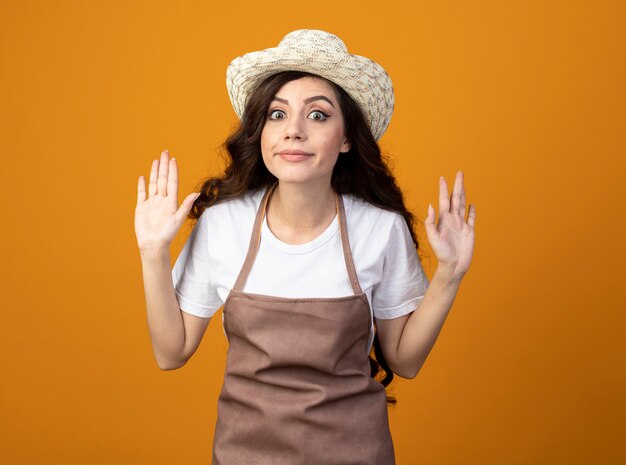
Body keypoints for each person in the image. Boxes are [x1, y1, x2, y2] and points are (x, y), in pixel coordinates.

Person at [134, 29, 476, 465]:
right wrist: (152, 253)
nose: (293, 131)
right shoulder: (224, 225)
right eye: (276, 115)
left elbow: (404, 361)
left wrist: (450, 274)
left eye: (317, 116)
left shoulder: (379, 229)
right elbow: (170, 352)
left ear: (348, 137)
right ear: (260, 132)